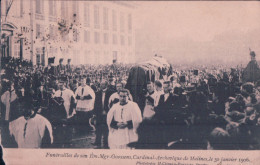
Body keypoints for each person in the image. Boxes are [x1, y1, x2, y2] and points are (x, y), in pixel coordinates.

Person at [93, 80, 113, 149]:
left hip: (107, 113)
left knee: (106, 129)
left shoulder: (110, 92)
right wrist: (95, 113)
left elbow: (111, 103)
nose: (101, 86)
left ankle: (106, 144)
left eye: (103, 84)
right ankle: (98, 143)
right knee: (98, 129)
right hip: (99, 113)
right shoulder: (97, 93)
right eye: (100, 84)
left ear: (106, 85)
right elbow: (95, 103)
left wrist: (107, 111)